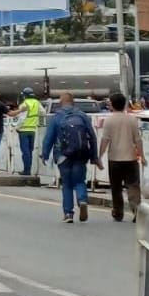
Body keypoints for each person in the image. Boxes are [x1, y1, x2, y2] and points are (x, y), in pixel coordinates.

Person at [40, 92, 101, 223]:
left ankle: (68, 213)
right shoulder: (82, 116)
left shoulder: (56, 117)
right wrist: (94, 156)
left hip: (63, 155)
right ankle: (82, 200)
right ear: (73, 102)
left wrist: (45, 155)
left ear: (60, 103)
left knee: (67, 184)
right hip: (81, 154)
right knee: (80, 181)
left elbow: (48, 138)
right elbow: (92, 136)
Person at [98, 91, 146, 222]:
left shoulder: (109, 120)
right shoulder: (132, 119)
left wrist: (99, 156)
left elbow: (105, 140)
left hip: (114, 159)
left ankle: (118, 212)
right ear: (125, 104)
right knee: (133, 186)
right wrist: (142, 156)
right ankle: (136, 209)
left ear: (112, 105)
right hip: (131, 158)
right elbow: (138, 140)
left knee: (116, 188)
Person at [9, 87, 45, 176]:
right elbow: (43, 112)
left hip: (24, 130)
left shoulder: (24, 104)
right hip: (32, 130)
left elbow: (22, 119)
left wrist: (16, 127)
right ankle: (28, 169)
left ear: (24, 95)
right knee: (30, 151)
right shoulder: (37, 103)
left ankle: (27, 171)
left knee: (25, 152)